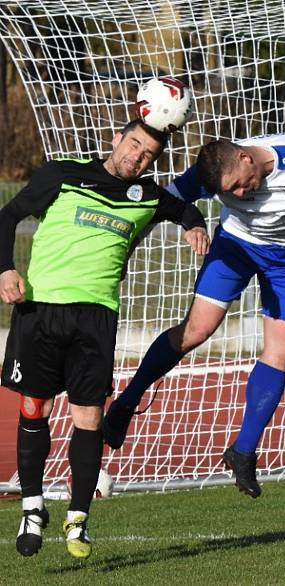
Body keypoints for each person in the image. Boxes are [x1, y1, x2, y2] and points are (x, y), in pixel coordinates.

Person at [102, 130, 285, 499]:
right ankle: (126, 402)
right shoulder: (215, 175)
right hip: (236, 246)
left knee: (281, 351)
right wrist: (127, 248)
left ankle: (243, 451)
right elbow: (163, 201)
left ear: (246, 159)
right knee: (197, 330)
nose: (237, 195)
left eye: (238, 186)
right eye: (228, 192)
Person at [0, 119, 210, 558]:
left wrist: (194, 224)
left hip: (96, 319)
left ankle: (78, 520)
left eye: (148, 154)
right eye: (134, 144)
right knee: (34, 406)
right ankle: (33, 508)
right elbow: (8, 217)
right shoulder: (64, 173)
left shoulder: (148, 196)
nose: (137, 157)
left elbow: (184, 209)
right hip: (40, 310)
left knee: (89, 417)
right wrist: (5, 269)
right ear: (116, 138)